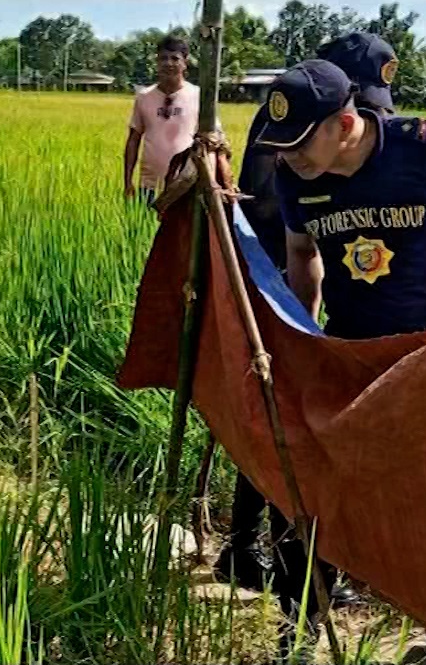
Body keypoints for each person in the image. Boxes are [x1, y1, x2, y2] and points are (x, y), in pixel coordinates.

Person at [249, 58, 426, 630]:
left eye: (297, 144)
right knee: (317, 487)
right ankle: (304, 621)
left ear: (343, 126)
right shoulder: (295, 178)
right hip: (347, 351)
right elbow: (301, 255)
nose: (286, 158)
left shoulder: (425, 146)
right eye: (280, 146)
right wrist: (302, 340)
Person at [215, 32, 403, 598]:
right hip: (277, 287)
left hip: (289, 287)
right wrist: (305, 315)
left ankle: (252, 548)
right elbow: (292, 228)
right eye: (362, 100)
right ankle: (284, 561)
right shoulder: (292, 128)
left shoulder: (301, 116)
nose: (369, 116)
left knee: (275, 415)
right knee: (284, 422)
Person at [123, 35, 197, 205]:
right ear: (157, 62)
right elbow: (133, 140)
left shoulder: (198, 96)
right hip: (148, 185)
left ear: (185, 62)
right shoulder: (144, 97)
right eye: (163, 58)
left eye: (175, 58)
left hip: (186, 183)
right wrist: (127, 181)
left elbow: (212, 140)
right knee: (145, 230)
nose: (169, 63)